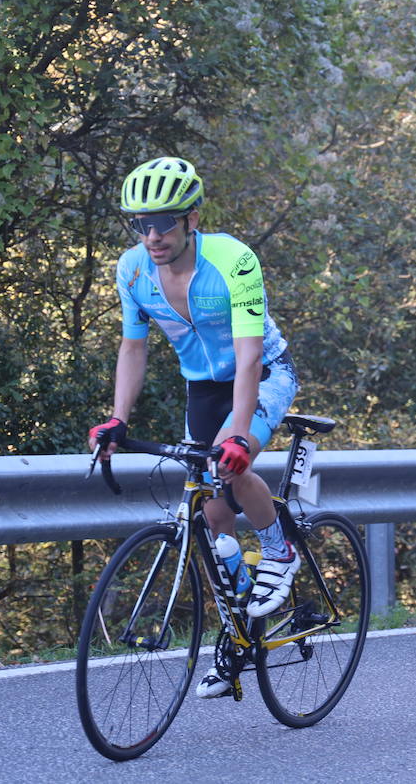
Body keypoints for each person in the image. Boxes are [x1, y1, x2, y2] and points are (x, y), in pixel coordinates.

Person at [86, 156, 301, 698]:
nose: (152, 235)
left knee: (231, 464)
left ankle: (280, 550)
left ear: (191, 219)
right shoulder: (132, 269)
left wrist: (237, 435)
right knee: (210, 512)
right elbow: (133, 347)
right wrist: (118, 417)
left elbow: (250, 356)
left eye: (163, 222)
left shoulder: (233, 261)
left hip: (264, 372)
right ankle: (239, 632)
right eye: (141, 223)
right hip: (202, 386)